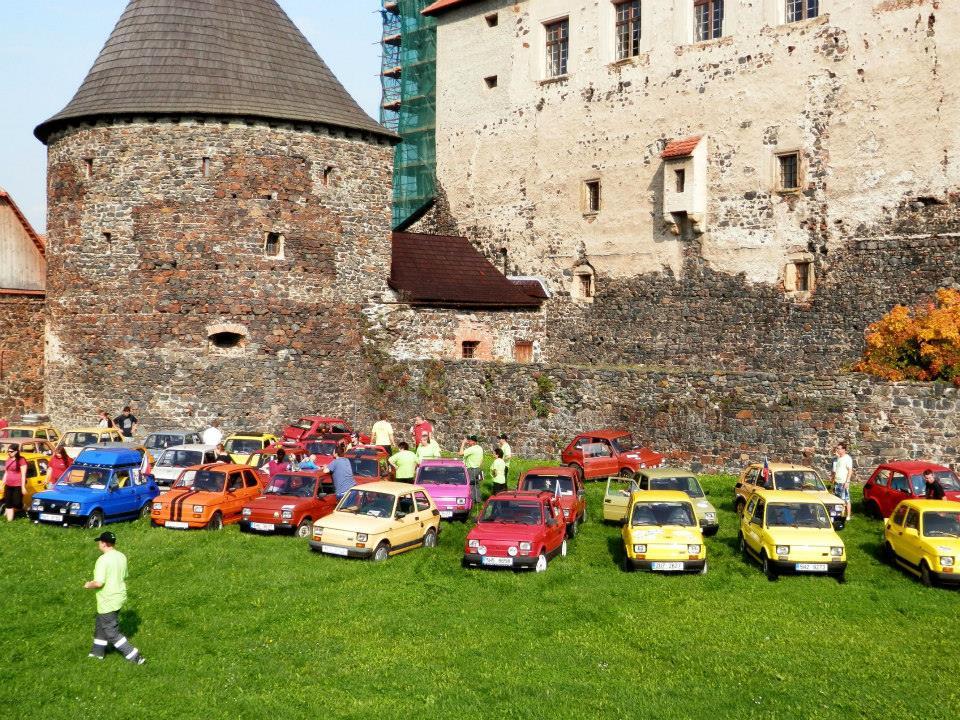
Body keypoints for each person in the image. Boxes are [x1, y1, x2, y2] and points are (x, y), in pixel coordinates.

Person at [84, 531, 145, 664]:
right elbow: (124, 575)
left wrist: (89, 585)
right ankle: (97, 653)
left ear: (104, 543)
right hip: (119, 596)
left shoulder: (103, 560)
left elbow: (99, 583)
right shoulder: (121, 556)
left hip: (108, 599)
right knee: (101, 624)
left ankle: (135, 656)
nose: (99, 544)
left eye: (100, 542)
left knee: (111, 632)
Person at [3, 444, 27, 521]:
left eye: (11, 451)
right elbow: (6, 472)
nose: (9, 453)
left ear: (16, 451)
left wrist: (23, 487)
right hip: (8, 484)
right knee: (8, 503)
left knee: (17, 503)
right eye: (8, 451)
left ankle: (25, 507)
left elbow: (23, 474)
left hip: (17, 485)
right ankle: (9, 522)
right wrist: (2, 483)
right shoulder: (8, 459)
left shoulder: (21, 460)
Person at [830, 442, 853, 519]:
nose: (838, 450)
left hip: (843, 482)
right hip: (837, 481)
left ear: (844, 450)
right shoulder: (838, 458)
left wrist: (847, 481)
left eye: (839, 449)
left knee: (846, 499)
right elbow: (835, 470)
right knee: (837, 498)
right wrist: (833, 478)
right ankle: (838, 514)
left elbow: (850, 470)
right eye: (837, 449)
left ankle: (848, 515)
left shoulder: (847, 458)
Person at [460, 435, 484, 503]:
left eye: (469, 441)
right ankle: (478, 500)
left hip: (471, 469)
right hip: (478, 468)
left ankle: (472, 501)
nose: (468, 442)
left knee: (471, 485)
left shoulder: (472, 449)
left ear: (473, 442)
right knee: (476, 485)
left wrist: (463, 443)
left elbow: (460, 453)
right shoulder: (480, 448)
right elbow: (482, 460)